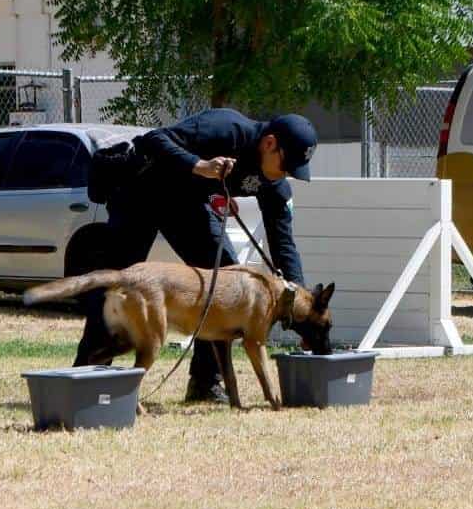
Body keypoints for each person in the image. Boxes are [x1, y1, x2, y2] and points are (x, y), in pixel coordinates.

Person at [75, 109, 317, 401]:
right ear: (269, 144)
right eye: (286, 164)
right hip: (141, 189)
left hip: (185, 204)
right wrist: (199, 165)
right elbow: (154, 139)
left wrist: (303, 309)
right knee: (115, 284)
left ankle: (204, 383)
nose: (286, 173)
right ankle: (87, 379)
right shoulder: (227, 127)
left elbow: (284, 245)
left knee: (226, 285)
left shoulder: (274, 185)